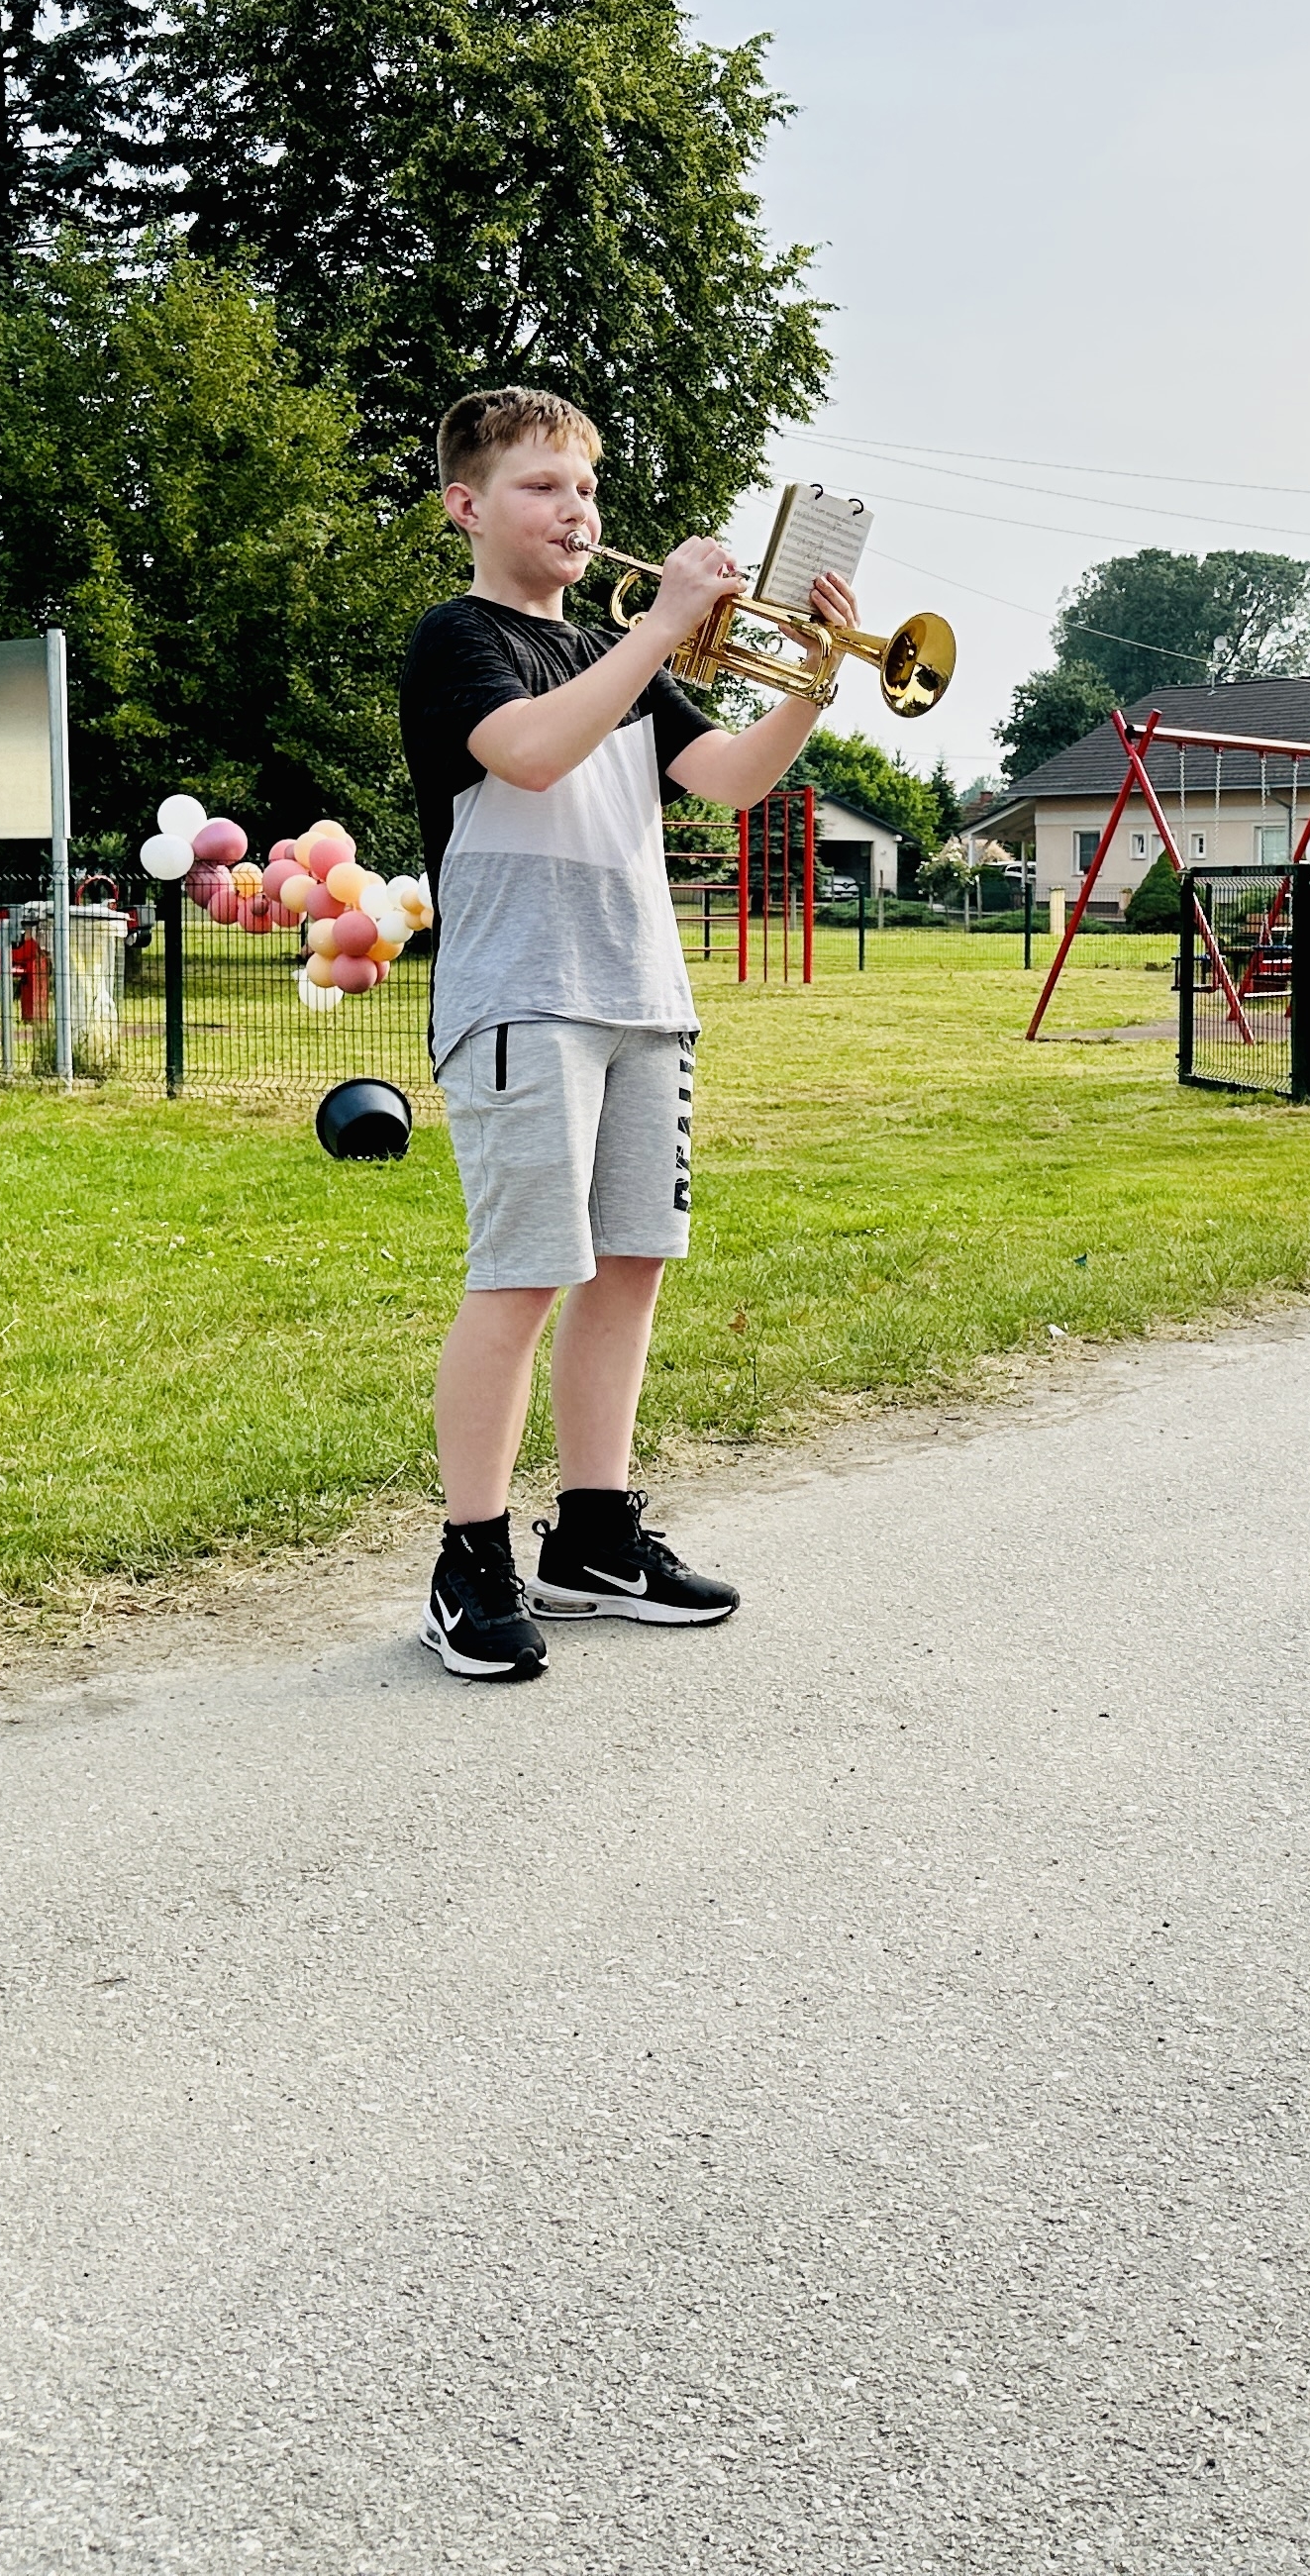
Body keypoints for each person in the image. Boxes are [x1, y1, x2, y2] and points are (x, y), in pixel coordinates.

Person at [394, 387, 857, 1683]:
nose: (576, 510)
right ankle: (471, 1560)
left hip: (646, 997)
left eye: (586, 490)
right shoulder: (460, 641)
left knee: (631, 1267)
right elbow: (530, 757)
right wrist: (659, 628)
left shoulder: (635, 672)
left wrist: (813, 684)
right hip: (522, 997)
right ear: (468, 505)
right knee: (524, 1275)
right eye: (543, 487)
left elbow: (733, 782)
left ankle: (593, 1539)